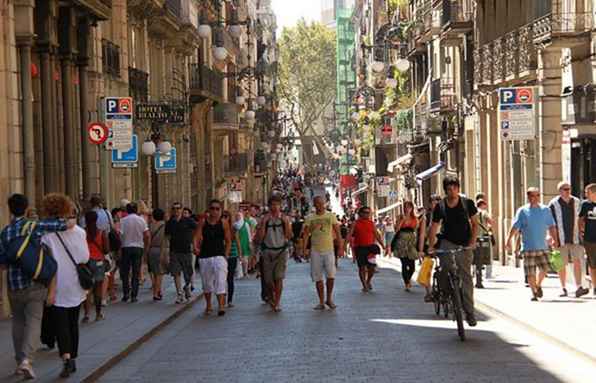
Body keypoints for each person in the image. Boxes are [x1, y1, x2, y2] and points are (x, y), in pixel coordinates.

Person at [0, 194, 74, 379]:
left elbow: (2, 263)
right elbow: (65, 225)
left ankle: (19, 362)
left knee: (18, 322)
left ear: (10, 209)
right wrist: (70, 214)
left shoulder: (5, 232)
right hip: (34, 283)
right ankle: (27, 360)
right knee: (33, 322)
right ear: (26, 209)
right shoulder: (34, 226)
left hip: (13, 285)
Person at [40, 194, 89, 378]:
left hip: (56, 284)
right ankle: (73, 357)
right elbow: (84, 257)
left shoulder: (47, 235)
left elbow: (46, 262)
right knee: (73, 323)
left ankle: (66, 357)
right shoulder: (79, 232)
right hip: (76, 283)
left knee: (60, 324)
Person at [428, 176, 479, 327]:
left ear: (458, 188)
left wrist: (472, 242)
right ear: (445, 190)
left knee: (466, 276)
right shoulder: (441, 206)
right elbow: (434, 227)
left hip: (465, 243)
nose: (452, 192)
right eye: (449, 189)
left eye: (454, 188)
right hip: (447, 242)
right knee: (445, 268)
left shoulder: (467, 204)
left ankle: (469, 312)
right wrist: (431, 246)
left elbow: (475, 224)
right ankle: (445, 293)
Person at [506, 187, 559, 301]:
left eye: (537, 195)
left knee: (545, 269)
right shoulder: (522, 211)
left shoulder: (545, 210)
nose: (535, 198)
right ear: (528, 197)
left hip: (543, 246)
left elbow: (551, 226)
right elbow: (515, 227)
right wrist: (508, 239)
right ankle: (534, 292)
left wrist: (555, 239)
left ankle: (538, 285)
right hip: (528, 247)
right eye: (533, 196)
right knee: (530, 272)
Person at [548, 181, 589, 298]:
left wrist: (583, 233)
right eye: (565, 189)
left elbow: (582, 218)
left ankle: (579, 287)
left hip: (575, 237)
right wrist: (551, 237)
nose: (568, 191)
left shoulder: (577, 202)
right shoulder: (553, 204)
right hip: (560, 238)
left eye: (569, 189)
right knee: (561, 264)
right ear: (560, 191)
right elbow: (550, 223)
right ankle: (563, 288)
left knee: (578, 261)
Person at [303, 196, 343, 309]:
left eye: (321, 203)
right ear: (314, 205)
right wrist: (304, 249)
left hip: (329, 249)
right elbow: (306, 234)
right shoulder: (310, 218)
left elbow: (338, 232)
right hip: (315, 250)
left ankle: (329, 299)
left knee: (331, 276)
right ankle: (321, 301)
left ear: (324, 204)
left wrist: (340, 247)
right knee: (318, 277)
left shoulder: (331, 216)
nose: (320, 206)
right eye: (317, 204)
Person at [195, 199, 232, 316]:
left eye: (217, 209)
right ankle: (209, 305)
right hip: (205, 256)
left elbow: (228, 240)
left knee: (220, 281)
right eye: (212, 208)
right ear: (209, 210)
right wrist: (195, 247)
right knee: (207, 283)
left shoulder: (224, 223)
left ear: (220, 210)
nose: (215, 211)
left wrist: (226, 254)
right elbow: (196, 236)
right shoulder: (203, 222)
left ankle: (221, 306)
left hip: (219, 256)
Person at [257, 195, 292, 312]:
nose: (275, 207)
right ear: (269, 206)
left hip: (281, 251)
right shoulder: (264, 219)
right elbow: (260, 238)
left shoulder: (284, 219)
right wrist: (263, 223)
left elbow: (288, 236)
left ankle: (277, 302)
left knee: (279, 277)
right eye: (272, 204)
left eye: (277, 204)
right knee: (268, 280)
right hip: (267, 251)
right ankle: (272, 295)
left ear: (280, 206)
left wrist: (286, 223)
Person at [347, 206, 384, 293]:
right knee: (362, 267)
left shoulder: (371, 223)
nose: (367, 214)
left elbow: (376, 234)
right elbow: (349, 234)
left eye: (368, 213)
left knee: (372, 267)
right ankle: (364, 285)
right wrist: (344, 246)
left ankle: (368, 281)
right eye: (365, 212)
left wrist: (383, 245)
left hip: (370, 247)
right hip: (359, 248)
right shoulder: (355, 223)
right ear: (360, 213)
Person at [166, 202, 198, 303]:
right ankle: (179, 294)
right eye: (174, 209)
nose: (176, 210)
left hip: (186, 250)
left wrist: (194, 242)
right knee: (176, 273)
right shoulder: (170, 222)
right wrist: (166, 251)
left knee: (188, 272)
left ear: (181, 209)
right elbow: (166, 236)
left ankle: (187, 286)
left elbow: (198, 229)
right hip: (174, 251)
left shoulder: (188, 221)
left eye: (178, 208)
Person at [82, 211, 109, 322]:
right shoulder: (101, 233)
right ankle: (98, 314)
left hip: (86, 262)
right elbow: (106, 249)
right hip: (99, 262)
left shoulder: (82, 232)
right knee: (98, 288)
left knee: (87, 289)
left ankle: (87, 314)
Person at [119, 202, 150, 303]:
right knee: (136, 272)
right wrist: (146, 246)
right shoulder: (141, 220)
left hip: (126, 247)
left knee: (125, 272)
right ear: (136, 210)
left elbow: (120, 235)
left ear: (127, 210)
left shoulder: (123, 220)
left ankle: (126, 293)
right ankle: (134, 295)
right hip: (138, 247)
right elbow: (147, 234)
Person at [391, 201, 425, 292]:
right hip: (401, 242)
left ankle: (408, 279)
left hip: (411, 242)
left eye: (409, 207)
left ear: (412, 208)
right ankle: (406, 283)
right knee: (404, 263)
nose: (407, 209)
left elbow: (417, 228)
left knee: (412, 266)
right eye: (405, 207)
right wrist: (403, 219)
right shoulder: (400, 217)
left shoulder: (415, 218)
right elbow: (397, 229)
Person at [579, 183, 596, 296]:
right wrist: (581, 232)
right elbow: (580, 219)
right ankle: (595, 287)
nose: (586, 195)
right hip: (589, 239)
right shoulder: (585, 204)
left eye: (587, 192)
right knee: (592, 264)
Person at [148, 208, 168, 301]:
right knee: (160, 273)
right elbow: (165, 240)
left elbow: (148, 239)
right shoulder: (165, 225)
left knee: (154, 272)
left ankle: (157, 290)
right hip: (160, 249)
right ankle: (156, 293)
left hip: (151, 249)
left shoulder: (151, 225)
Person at [474, 199, 494, 288]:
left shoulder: (473, 212)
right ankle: (479, 280)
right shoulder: (483, 212)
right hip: (482, 239)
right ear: (482, 205)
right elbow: (490, 221)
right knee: (482, 259)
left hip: (474, 239)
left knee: (476, 260)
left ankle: (477, 278)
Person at [228, 212, 244, 307]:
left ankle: (229, 299)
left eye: (227, 216)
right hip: (221, 257)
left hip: (232, 256)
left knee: (229, 278)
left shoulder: (234, 229)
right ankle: (222, 296)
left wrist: (240, 254)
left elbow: (238, 242)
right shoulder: (219, 228)